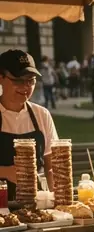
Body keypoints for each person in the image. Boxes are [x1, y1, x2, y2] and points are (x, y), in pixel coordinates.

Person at [0, 49, 58, 200]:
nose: (25, 87)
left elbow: (51, 167)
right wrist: (6, 172)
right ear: (1, 77)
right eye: (18, 80)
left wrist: (58, 201)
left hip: (34, 202)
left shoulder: (42, 115)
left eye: (30, 80)